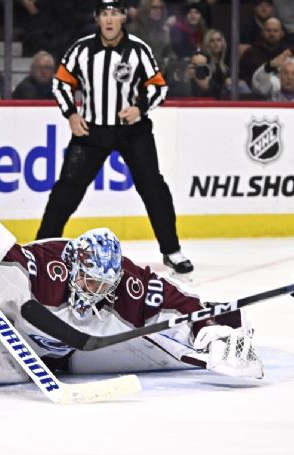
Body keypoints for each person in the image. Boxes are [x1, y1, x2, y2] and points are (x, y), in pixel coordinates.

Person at [0, 222, 262, 395]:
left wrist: (214, 329)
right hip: (17, 339)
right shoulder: (38, 264)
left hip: (76, 355)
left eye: (104, 284)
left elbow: (187, 302)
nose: (94, 291)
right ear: (72, 267)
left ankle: (215, 351)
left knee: (165, 338)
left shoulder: (130, 284)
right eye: (88, 280)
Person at [39, 0, 194, 275]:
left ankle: (172, 250)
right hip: (91, 130)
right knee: (67, 189)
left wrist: (140, 108)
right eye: (104, 14)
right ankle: (42, 248)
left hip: (132, 130)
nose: (109, 20)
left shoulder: (138, 50)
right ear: (97, 19)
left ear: (123, 17)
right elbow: (61, 83)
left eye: (114, 14)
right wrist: (71, 115)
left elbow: (158, 87)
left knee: (153, 187)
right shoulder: (81, 49)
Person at [239, 17, 288, 87]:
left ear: (282, 33)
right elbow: (243, 77)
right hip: (255, 93)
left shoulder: (290, 53)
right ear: (262, 32)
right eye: (268, 30)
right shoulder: (251, 53)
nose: (272, 34)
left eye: (275, 31)